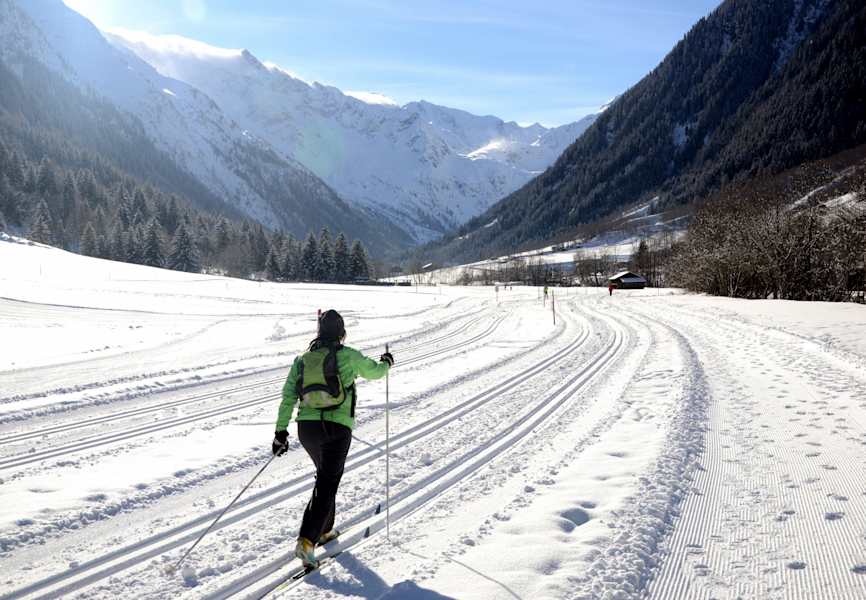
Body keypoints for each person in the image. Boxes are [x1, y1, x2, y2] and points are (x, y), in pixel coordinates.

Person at [272, 309, 393, 568]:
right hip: (337, 429)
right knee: (327, 482)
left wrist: (280, 432)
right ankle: (306, 541)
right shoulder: (347, 355)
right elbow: (375, 372)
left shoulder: (302, 360)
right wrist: (386, 362)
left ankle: (325, 530)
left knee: (326, 477)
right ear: (341, 332)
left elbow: (287, 396)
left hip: (307, 429)